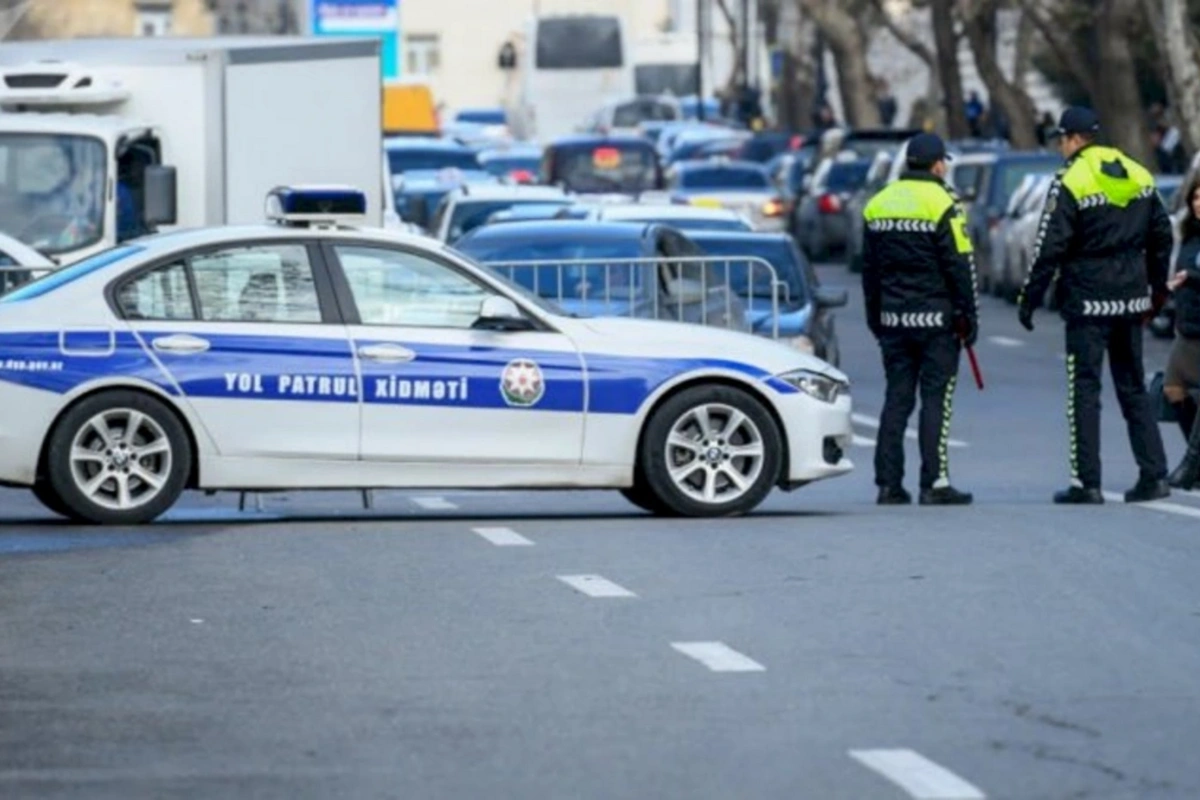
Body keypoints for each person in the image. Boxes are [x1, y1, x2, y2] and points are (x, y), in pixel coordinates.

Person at [1016, 106, 1174, 504]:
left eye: (1061, 140)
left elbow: (1048, 247)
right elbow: (1162, 234)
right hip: (1131, 297)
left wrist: (1029, 300)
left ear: (1071, 139)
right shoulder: (1136, 171)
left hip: (1087, 301)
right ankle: (1154, 475)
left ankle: (1087, 482)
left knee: (1084, 390)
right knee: (1133, 387)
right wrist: (1156, 290)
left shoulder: (1070, 179)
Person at [862, 132, 978, 506]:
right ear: (937, 164)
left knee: (896, 399)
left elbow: (869, 272)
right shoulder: (944, 202)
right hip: (935, 322)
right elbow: (960, 264)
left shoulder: (878, 204)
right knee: (935, 401)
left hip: (893, 320)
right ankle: (935, 482)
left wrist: (876, 319)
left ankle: (888, 484)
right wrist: (967, 315)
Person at [1164, 177, 1200, 489]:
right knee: (1171, 388)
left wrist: (1192, 277)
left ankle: (1192, 463)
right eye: (1196, 198)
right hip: (1187, 327)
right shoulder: (1189, 234)